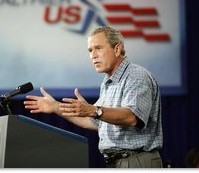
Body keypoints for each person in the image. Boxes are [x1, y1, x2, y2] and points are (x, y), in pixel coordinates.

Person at [23, 26, 163, 168]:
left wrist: (93, 110)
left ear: (117, 49)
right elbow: (93, 121)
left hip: (137, 161)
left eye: (98, 48)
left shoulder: (135, 76)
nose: (93, 55)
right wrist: (55, 106)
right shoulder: (108, 82)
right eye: (90, 50)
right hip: (118, 163)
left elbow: (131, 117)